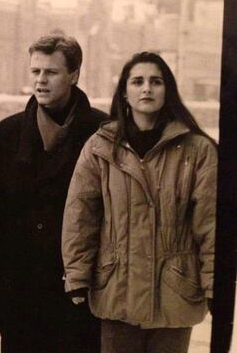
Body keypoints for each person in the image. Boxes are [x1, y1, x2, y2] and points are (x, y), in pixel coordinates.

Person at [62, 51, 217, 353]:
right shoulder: (100, 148)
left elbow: (210, 224)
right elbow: (81, 214)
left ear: (167, 90)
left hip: (174, 292)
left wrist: (214, 283)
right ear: (124, 92)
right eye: (138, 81)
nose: (147, 88)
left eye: (155, 81)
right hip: (117, 289)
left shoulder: (197, 151)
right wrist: (77, 274)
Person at [0, 34, 108, 353]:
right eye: (35, 71)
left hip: (78, 286)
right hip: (19, 286)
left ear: (75, 75)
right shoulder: (5, 135)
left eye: (50, 72)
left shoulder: (104, 132)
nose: (40, 80)